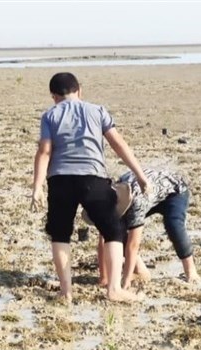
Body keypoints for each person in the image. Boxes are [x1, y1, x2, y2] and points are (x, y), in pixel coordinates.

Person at [30, 72, 149, 303]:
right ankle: (114, 289)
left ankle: (66, 293)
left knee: (60, 235)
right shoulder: (97, 111)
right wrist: (140, 174)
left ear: (53, 96)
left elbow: (44, 151)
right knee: (113, 230)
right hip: (93, 179)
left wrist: (37, 187)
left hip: (60, 181)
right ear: (79, 91)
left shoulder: (49, 116)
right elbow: (118, 143)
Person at [89, 168, 198, 289]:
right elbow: (104, 240)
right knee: (116, 230)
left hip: (175, 191)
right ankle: (140, 270)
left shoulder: (135, 203)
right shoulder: (106, 203)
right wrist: (104, 278)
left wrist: (125, 282)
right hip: (149, 194)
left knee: (173, 225)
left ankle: (191, 271)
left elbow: (133, 244)